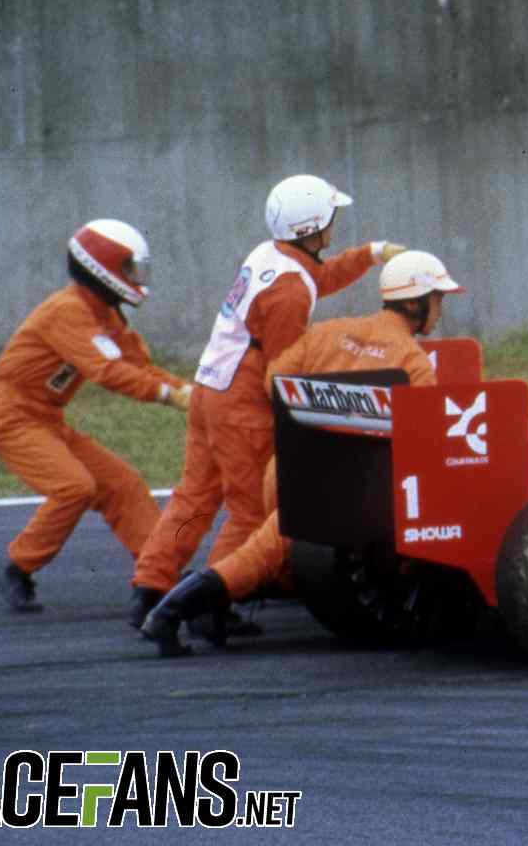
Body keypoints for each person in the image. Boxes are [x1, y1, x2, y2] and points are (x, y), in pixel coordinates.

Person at [141, 250, 461, 655]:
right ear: (416, 302)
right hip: (340, 494)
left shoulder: (327, 331)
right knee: (265, 554)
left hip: (286, 471)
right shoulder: (412, 361)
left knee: (272, 554)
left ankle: (205, 606)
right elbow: (425, 442)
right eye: (439, 299)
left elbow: (275, 380)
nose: (441, 309)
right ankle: (168, 615)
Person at [128, 174, 403, 630]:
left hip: (210, 387)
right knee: (251, 511)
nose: (335, 228)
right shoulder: (289, 294)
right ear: (313, 227)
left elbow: (322, 276)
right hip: (240, 401)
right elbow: (282, 370)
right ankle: (210, 607)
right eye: (331, 219)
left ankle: (151, 585)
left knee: (194, 498)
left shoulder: (272, 255)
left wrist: (373, 254)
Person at [0, 220, 192, 613]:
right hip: (10, 417)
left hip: (46, 419)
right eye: (129, 267)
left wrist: (191, 392)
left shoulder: (106, 316)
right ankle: (17, 567)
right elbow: (107, 371)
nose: (135, 277)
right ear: (103, 268)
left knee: (124, 484)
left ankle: (162, 573)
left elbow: (140, 367)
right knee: (75, 486)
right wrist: (168, 396)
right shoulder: (68, 311)